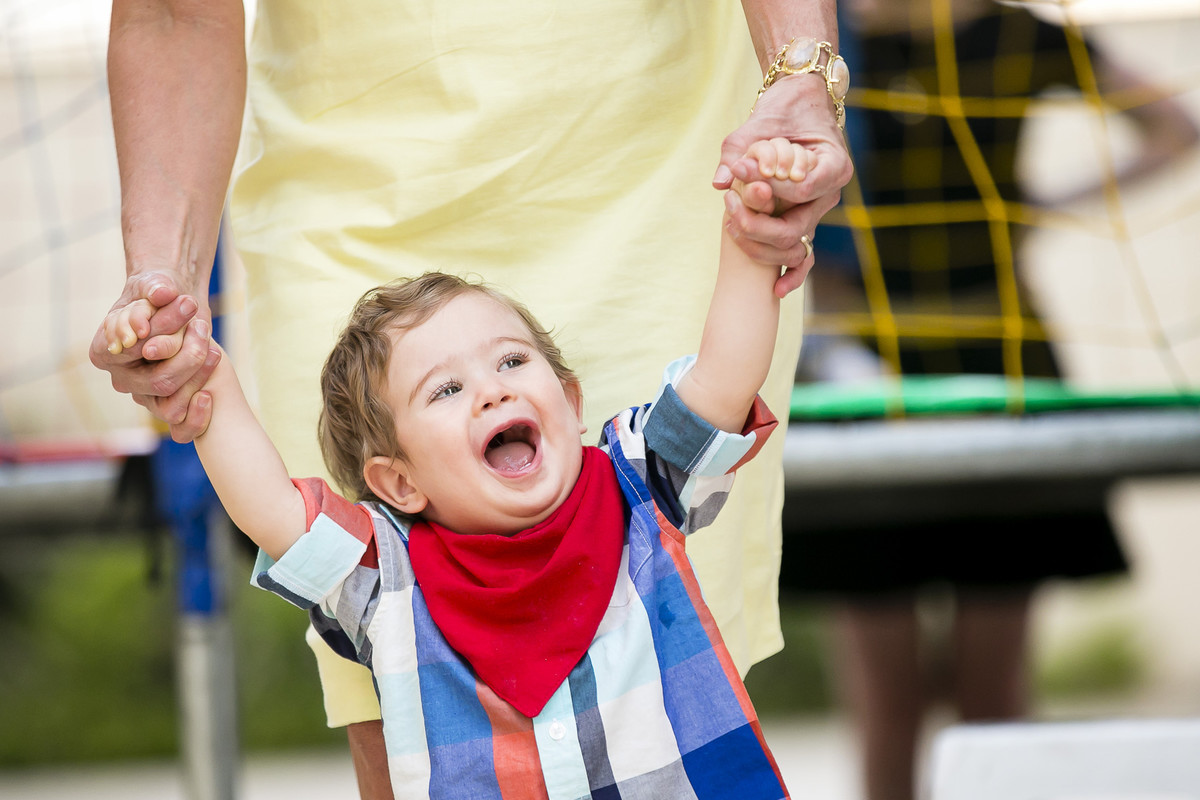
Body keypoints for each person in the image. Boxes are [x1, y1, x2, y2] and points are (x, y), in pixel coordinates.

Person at [92, 1, 852, 794]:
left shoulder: (644, 487)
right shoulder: (379, 578)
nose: (492, 391)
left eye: (514, 364)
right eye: (449, 389)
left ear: (569, 397)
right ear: (394, 482)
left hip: (641, 151)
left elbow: (723, 376)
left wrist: (751, 233)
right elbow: (269, 506)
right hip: (349, 177)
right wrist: (194, 359)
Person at [784, 3, 1200, 800]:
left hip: (990, 360)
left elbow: (1173, 129)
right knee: (896, 702)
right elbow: (1173, 129)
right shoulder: (815, 44)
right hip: (866, 372)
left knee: (985, 698)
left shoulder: (1015, 35)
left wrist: (1046, 203)